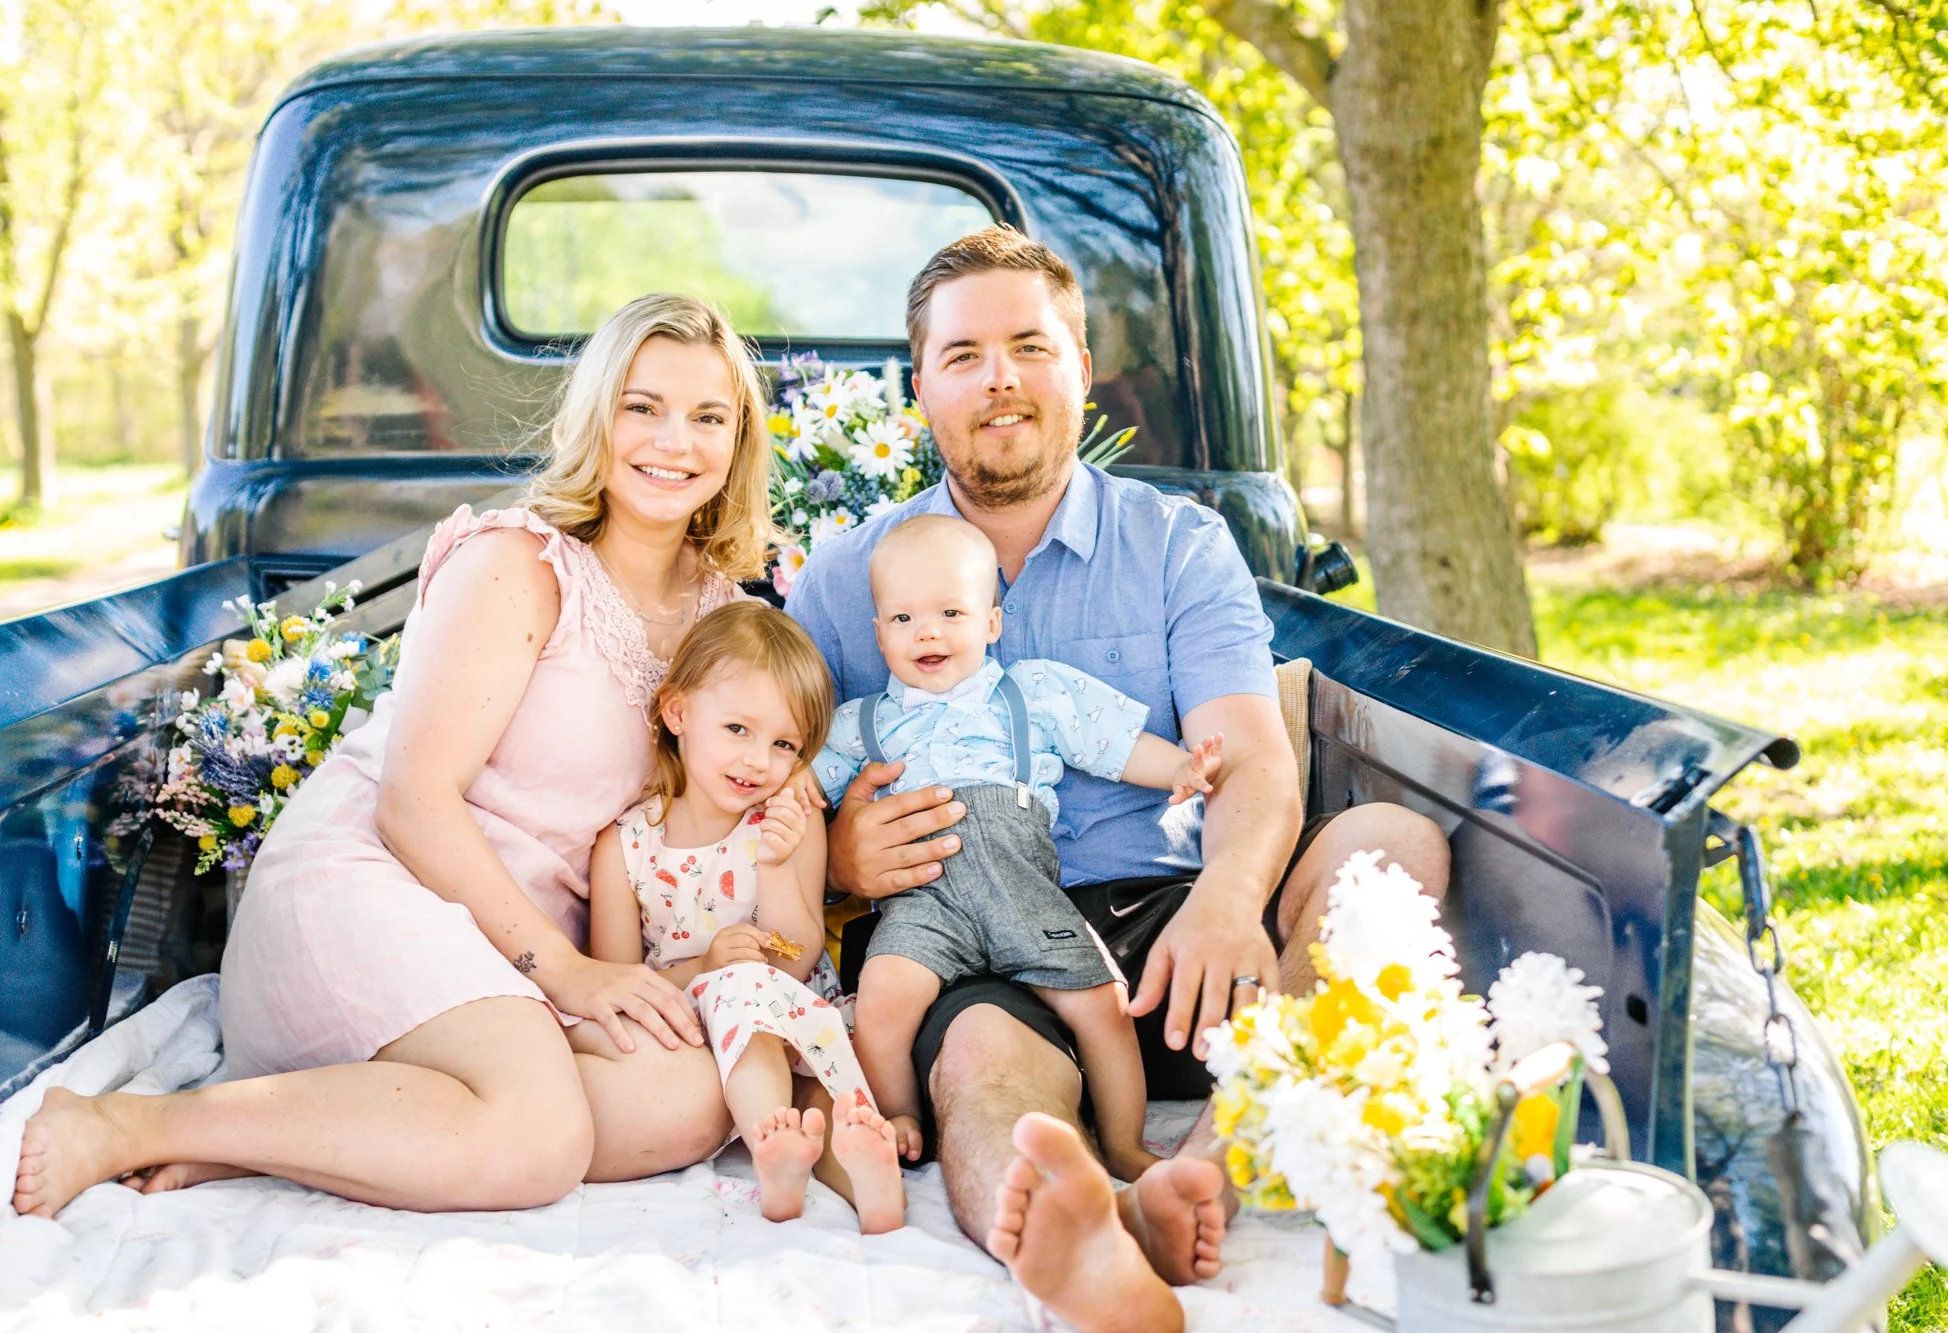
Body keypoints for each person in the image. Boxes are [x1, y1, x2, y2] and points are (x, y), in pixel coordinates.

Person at [785, 226, 1451, 1332]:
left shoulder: (1177, 544)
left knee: (1392, 847)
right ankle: (1071, 1224)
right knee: (983, 1060)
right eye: (961, 356)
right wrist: (842, 866)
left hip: (1180, 928)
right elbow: (771, 789)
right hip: (976, 939)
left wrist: (1231, 902)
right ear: (921, 390)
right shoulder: (845, 573)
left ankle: (1198, 1173)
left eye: (1028, 346)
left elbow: (1247, 755)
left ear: (1079, 370)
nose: (997, 378)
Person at [13, 293, 778, 1219]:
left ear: (740, 440)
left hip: (512, 949)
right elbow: (413, 802)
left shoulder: (724, 614)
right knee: (539, 1140)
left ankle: (315, 1135)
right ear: (595, 416)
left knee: (687, 1099)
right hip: (378, 882)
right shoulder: (521, 562)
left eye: (709, 416)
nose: (674, 440)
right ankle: (139, 1124)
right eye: (642, 405)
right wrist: (569, 973)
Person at [811, 514, 1222, 1183]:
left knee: (1103, 1004)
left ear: (992, 623)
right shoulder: (863, 723)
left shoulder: (1030, 693)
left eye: (951, 612)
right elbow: (804, 784)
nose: (929, 632)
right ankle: (901, 1113)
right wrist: (794, 806)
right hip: (924, 900)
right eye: (904, 619)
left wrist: (1177, 768)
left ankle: (1123, 1142)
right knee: (883, 997)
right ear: (879, 631)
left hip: (1021, 890)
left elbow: (1110, 744)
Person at [582, 602, 906, 1232]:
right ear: (677, 712)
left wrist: (780, 862)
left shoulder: (785, 822)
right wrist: (704, 967)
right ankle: (772, 1146)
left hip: (789, 1015)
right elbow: (616, 983)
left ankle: (867, 1181)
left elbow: (800, 954)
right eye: (737, 729)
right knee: (736, 992)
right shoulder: (623, 845)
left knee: (822, 1103)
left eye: (784, 743)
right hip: (690, 1033)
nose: (759, 760)